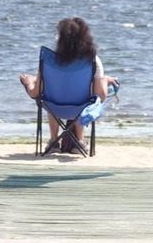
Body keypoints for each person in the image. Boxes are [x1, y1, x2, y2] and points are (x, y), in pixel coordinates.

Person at [18, 17, 117, 154]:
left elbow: (35, 93)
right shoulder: (92, 60)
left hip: (53, 107)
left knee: (49, 95)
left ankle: (54, 141)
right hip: (81, 108)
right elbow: (101, 95)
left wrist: (29, 83)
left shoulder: (49, 60)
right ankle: (80, 142)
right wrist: (104, 80)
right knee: (85, 97)